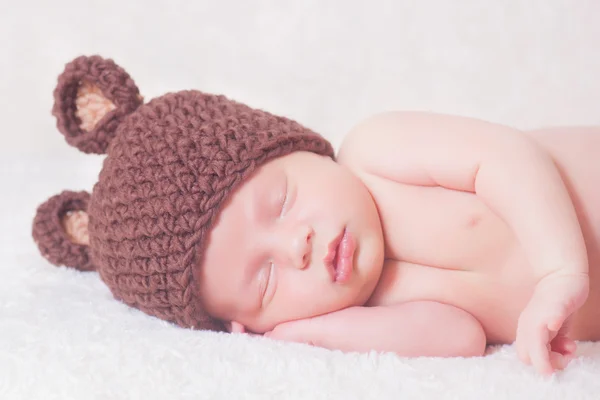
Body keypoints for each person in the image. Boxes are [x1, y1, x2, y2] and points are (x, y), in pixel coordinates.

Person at [33, 55, 597, 377]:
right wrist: (306, 330)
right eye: (266, 281)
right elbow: (461, 338)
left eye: (280, 203)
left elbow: (504, 157)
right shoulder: (371, 302)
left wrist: (559, 272)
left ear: (295, 147)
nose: (295, 248)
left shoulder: (376, 152)